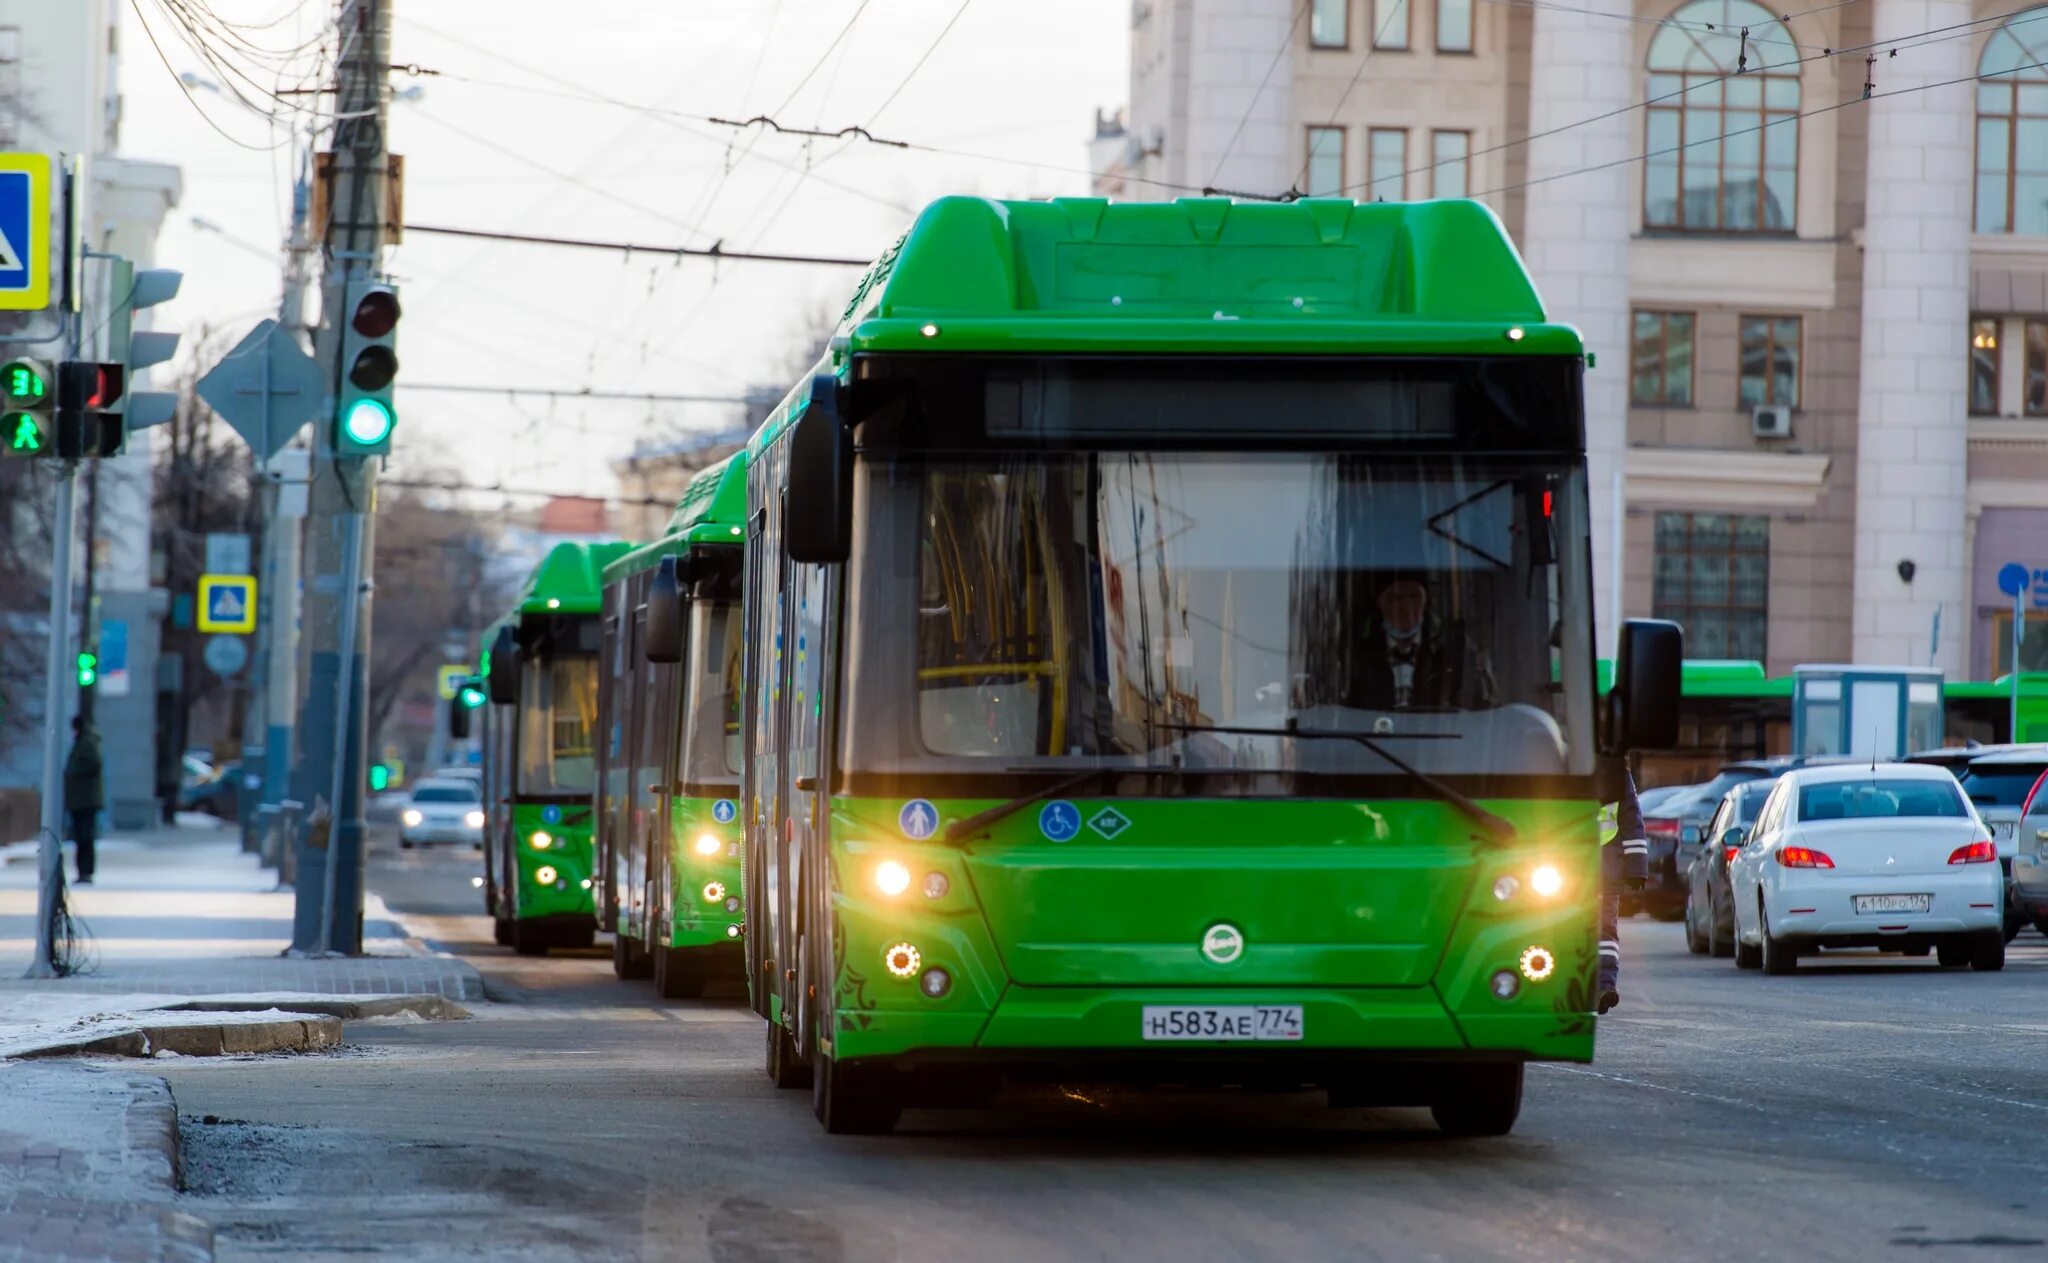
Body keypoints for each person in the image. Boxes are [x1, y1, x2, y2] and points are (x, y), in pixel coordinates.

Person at [1348, 573, 1495, 711]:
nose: (1407, 609)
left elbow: (1482, 707)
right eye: (1394, 598)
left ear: (1426, 600)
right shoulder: (1356, 652)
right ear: (1379, 602)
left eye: (1414, 597)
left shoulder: (1455, 648)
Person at [1595, 759, 1648, 1015]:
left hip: (1603, 869)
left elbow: (1630, 816)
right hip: (1577, 866)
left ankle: (1605, 986)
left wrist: (1637, 866)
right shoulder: (1552, 760)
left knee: (1605, 929)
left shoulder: (1616, 772)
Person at [63, 715, 104, 885]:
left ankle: (85, 871)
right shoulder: (86, 742)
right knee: (83, 837)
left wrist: (73, 773)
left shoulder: (86, 743)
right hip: (83, 799)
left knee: (84, 837)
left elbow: (92, 765)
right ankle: (84, 871)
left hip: (84, 800)